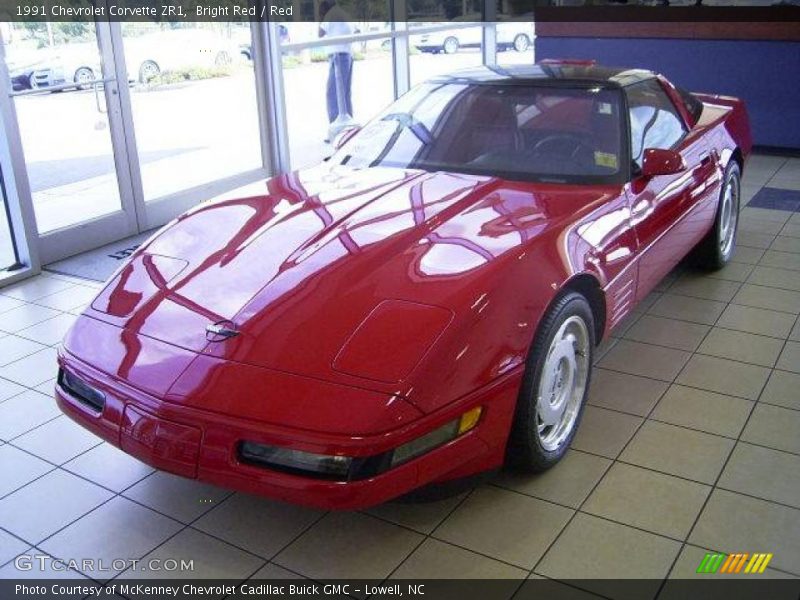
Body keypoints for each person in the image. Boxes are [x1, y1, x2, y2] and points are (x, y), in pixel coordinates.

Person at [319, 0, 354, 139]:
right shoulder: (342, 13)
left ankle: (336, 131)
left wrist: (320, 18)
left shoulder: (330, 15)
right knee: (344, 94)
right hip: (347, 54)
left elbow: (320, 33)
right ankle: (349, 130)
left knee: (333, 94)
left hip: (338, 56)